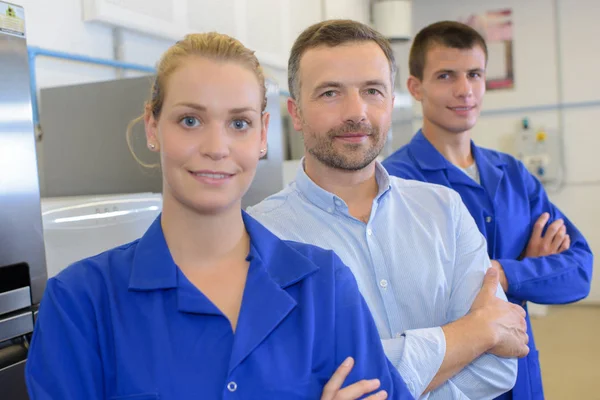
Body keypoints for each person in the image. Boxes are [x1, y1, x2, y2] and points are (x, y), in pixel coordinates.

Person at [25, 32, 414, 400]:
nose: (216, 147)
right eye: (190, 120)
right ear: (152, 126)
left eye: (239, 124)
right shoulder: (81, 303)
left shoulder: (323, 287)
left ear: (262, 135)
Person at [247, 19, 529, 400]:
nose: (356, 112)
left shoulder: (444, 209)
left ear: (391, 103)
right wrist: (475, 333)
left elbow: (498, 366)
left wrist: (377, 382)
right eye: (330, 93)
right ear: (295, 112)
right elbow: (294, 383)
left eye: (372, 91)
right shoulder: (261, 238)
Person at [382, 20, 594, 399]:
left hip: (522, 373)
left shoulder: (510, 173)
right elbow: (416, 299)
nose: (464, 90)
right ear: (416, 87)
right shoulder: (395, 183)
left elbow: (579, 270)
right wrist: (531, 273)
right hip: (451, 381)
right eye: (446, 75)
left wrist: (505, 274)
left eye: (475, 74)